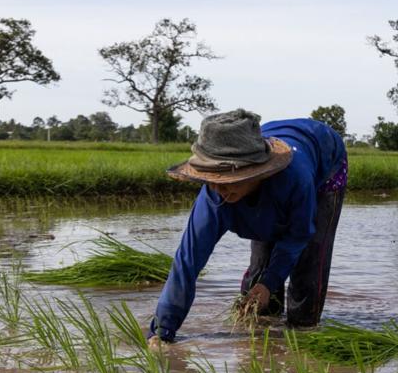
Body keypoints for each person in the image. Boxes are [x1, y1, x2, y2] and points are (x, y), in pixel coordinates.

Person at [147, 108, 347, 345]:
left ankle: (302, 336)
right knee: (259, 276)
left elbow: (297, 237)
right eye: (212, 182)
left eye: (229, 182)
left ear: (256, 174)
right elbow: (186, 264)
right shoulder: (214, 198)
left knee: (308, 264)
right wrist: (162, 333)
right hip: (269, 177)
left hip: (325, 164)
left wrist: (270, 282)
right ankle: (263, 336)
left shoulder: (296, 180)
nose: (220, 191)